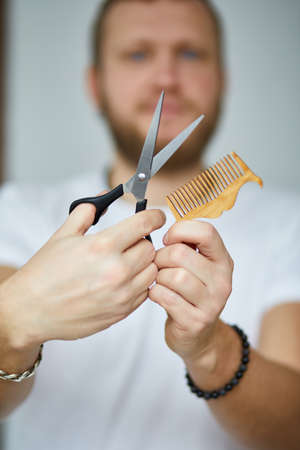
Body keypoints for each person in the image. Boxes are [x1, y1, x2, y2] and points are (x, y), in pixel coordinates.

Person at [0, 0, 299, 449]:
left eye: (191, 53)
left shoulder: (290, 225)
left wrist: (211, 349)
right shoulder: (18, 212)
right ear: (95, 84)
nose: (166, 79)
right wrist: (14, 321)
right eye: (137, 54)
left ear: (223, 78)